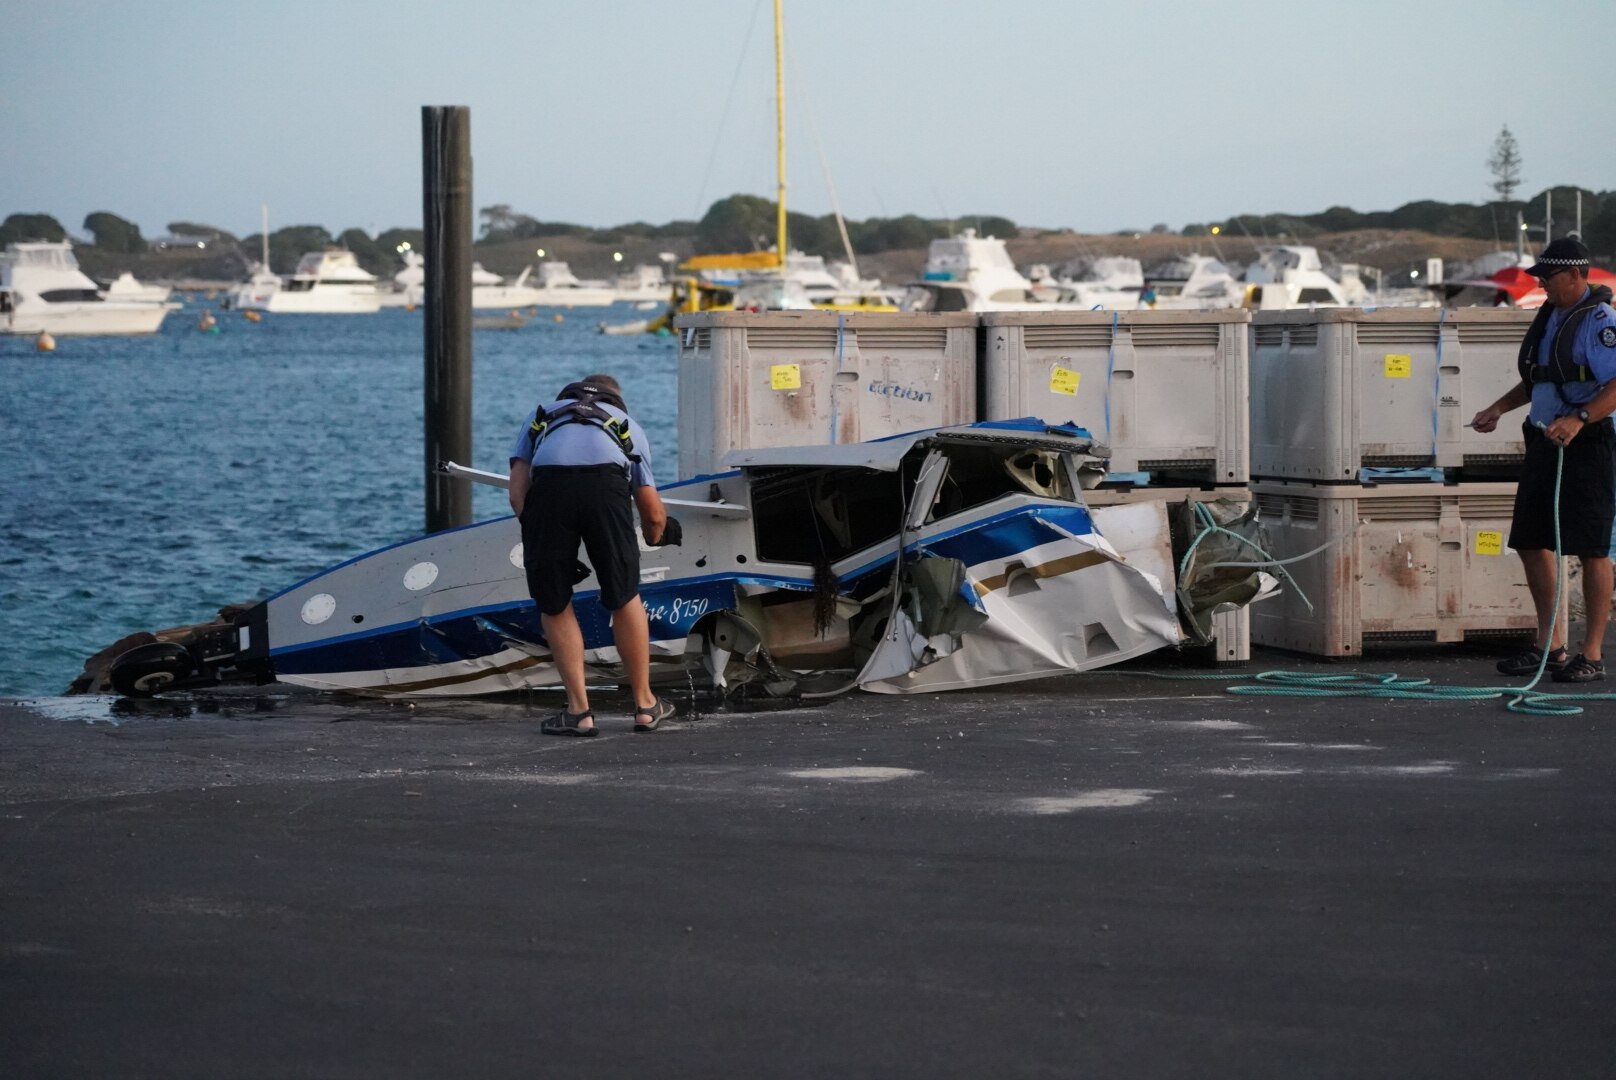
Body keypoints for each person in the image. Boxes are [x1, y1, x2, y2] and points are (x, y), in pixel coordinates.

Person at [1471, 238, 1616, 682]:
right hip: (1542, 441)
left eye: (1548, 278)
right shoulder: (1551, 316)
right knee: (1531, 541)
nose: (1542, 286)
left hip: (1587, 445)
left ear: (1575, 275)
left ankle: (1591, 653)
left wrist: (1580, 419)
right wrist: (1498, 408)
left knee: (1591, 548)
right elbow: (1541, 379)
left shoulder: (1600, 321)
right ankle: (1549, 646)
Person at [508, 374, 676, 734]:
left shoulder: (541, 416)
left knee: (554, 601)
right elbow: (653, 512)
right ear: (615, 400)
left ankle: (578, 712)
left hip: (549, 488)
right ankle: (646, 705)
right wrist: (656, 535)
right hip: (606, 486)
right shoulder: (626, 425)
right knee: (624, 593)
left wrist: (541, 537)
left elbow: (517, 494)